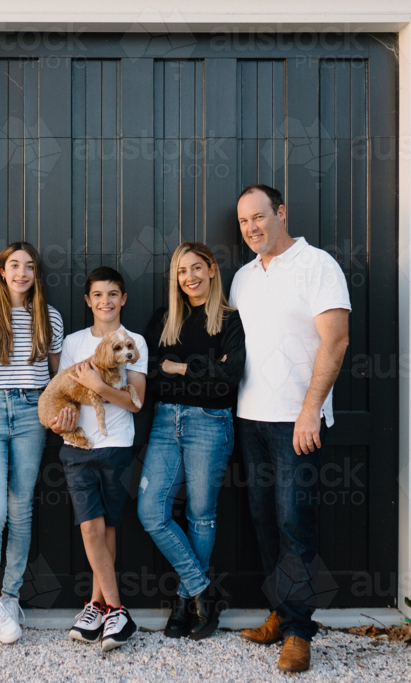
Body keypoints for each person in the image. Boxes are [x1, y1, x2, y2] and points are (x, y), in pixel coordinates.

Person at [231, 185, 350, 673]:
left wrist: (310, 410)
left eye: (259, 217)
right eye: (243, 222)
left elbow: (336, 340)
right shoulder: (241, 278)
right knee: (263, 521)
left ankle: (300, 633)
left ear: (281, 212)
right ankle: (281, 613)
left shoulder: (317, 265)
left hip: (296, 423)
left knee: (294, 524)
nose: (252, 228)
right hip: (249, 418)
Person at [139, 242, 245, 641]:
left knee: (201, 513)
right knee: (151, 511)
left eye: (197, 268)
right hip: (166, 420)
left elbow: (228, 377)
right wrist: (199, 370)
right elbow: (149, 372)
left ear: (212, 270)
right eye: (182, 271)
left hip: (210, 421)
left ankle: (185, 602)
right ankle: (203, 590)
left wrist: (179, 366)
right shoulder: (165, 319)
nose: (190, 277)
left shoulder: (230, 321)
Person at [0, 242, 64, 644]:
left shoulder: (48, 317)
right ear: (2, 271)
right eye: (14, 265)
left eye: (29, 266)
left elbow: (59, 374)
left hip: (31, 412)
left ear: (36, 273)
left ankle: (10, 595)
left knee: (21, 509)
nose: (21, 273)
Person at [50, 266, 147, 652]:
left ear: (123, 299)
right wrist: (60, 421)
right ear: (88, 301)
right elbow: (62, 391)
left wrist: (100, 385)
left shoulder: (133, 341)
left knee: (107, 529)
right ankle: (118, 611)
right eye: (98, 295)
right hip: (78, 447)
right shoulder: (74, 342)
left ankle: (95, 606)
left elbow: (136, 403)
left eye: (113, 294)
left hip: (118, 445)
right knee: (90, 528)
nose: (105, 301)